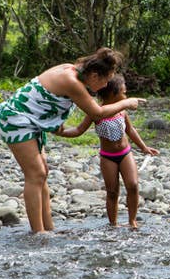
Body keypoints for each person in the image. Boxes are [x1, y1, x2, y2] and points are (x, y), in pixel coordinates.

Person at [0, 48, 144, 233]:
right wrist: (127, 102)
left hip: (33, 122)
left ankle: (48, 228)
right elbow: (96, 112)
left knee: (43, 173)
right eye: (105, 81)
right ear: (95, 75)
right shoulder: (71, 80)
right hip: (16, 119)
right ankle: (38, 233)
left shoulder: (73, 71)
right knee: (36, 175)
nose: (105, 86)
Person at [57, 75, 159, 228]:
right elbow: (78, 130)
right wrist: (61, 132)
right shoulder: (96, 112)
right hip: (108, 157)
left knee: (133, 185)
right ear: (113, 93)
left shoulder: (122, 111)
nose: (126, 95)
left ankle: (132, 221)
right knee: (112, 192)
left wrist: (144, 147)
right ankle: (113, 224)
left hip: (125, 153)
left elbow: (130, 130)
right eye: (123, 92)